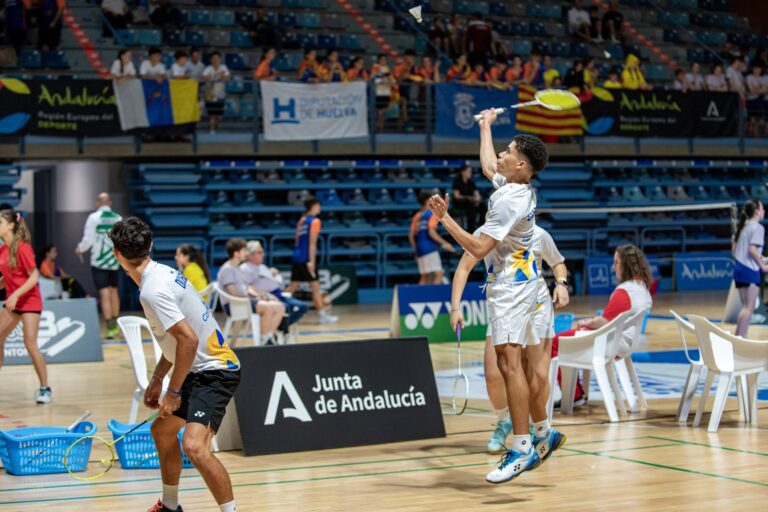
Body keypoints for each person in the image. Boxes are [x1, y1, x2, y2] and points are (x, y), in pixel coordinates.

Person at [427, 124, 553, 483]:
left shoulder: (511, 199)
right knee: (508, 363)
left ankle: (522, 447)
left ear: (521, 166)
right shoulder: (515, 185)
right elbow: (486, 166)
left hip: (511, 289)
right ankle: (542, 433)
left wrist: (444, 218)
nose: (501, 153)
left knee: (509, 365)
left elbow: (478, 249)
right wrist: (485, 126)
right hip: (522, 285)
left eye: (508, 151)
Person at [108, 218, 239, 512]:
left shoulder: (152, 291)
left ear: (117, 254)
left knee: (194, 446)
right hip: (198, 368)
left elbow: (188, 341)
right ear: (150, 246)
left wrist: (174, 392)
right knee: (162, 432)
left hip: (216, 370)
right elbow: (177, 342)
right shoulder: (163, 273)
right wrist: (157, 379)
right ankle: (169, 506)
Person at [451, 224, 569, 454]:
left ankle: (537, 429)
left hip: (537, 309)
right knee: (493, 375)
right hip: (504, 308)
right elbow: (464, 268)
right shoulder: (485, 233)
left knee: (539, 376)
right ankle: (505, 419)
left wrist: (561, 284)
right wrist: (455, 307)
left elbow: (557, 262)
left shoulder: (538, 234)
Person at [552, 244, 653, 405]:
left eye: (616, 262)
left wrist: (585, 323)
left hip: (611, 344)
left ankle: (573, 396)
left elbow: (603, 322)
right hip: (624, 343)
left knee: (556, 343)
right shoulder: (643, 289)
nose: (613, 267)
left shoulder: (625, 291)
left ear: (626, 264)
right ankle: (576, 394)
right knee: (573, 337)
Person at [0, 210, 51, 404]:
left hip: (29, 301)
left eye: (0, 222)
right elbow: (9, 277)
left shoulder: (23, 247)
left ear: (11, 225)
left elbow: (33, 276)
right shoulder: (3, 249)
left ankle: (45, 389)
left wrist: (15, 294)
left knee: (30, 343)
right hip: (13, 301)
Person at [217, 238, 285, 345]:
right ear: (236, 253)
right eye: (244, 251)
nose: (246, 253)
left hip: (243, 301)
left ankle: (268, 336)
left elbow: (246, 288)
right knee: (268, 307)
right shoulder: (227, 269)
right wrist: (254, 298)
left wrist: (263, 295)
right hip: (235, 305)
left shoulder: (236, 268)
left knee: (279, 306)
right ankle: (263, 341)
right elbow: (233, 292)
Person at [76, 193, 122, 339]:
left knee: (104, 293)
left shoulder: (93, 218)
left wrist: (80, 249)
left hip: (99, 261)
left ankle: (109, 327)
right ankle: (116, 325)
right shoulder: (118, 218)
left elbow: (88, 239)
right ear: (109, 202)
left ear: (97, 203)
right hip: (115, 260)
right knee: (114, 291)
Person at [286, 197, 338, 324]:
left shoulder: (301, 220)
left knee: (293, 285)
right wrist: (311, 261)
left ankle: (277, 304)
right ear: (313, 206)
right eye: (318, 205)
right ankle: (322, 315)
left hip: (297, 255)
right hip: (306, 258)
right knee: (315, 287)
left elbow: (297, 240)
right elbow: (312, 243)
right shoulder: (315, 221)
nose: (320, 208)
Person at [241, 240, 308, 335]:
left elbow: (275, 281)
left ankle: (278, 327)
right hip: (268, 297)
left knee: (302, 307)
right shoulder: (246, 268)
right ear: (250, 255)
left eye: (262, 252)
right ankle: (278, 331)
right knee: (286, 308)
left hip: (279, 294)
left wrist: (273, 273)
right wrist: (266, 295)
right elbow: (247, 286)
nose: (262, 255)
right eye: (259, 252)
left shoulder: (262, 267)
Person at [732, 200, 768, 338]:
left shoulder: (745, 227)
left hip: (740, 267)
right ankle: (738, 338)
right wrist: (762, 267)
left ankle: (742, 337)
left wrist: (763, 259)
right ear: (757, 211)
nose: (764, 211)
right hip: (749, 270)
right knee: (749, 307)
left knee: (747, 307)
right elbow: (752, 250)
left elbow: (736, 250)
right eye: (762, 208)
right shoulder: (758, 228)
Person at [409, 191, 455, 285]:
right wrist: (445, 243)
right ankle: (433, 298)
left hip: (419, 249)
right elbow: (431, 232)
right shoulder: (431, 214)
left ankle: (420, 298)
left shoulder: (417, 216)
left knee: (424, 276)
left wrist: (416, 250)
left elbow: (411, 236)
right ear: (427, 201)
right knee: (438, 274)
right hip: (429, 248)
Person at [202, 51, 230, 134]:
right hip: (210, 94)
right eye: (214, 58)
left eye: (217, 58)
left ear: (220, 59)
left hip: (220, 95)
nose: (215, 60)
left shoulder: (224, 67)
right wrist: (210, 76)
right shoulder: (208, 68)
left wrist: (221, 75)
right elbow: (204, 78)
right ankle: (211, 129)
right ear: (211, 60)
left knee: (218, 114)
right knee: (211, 113)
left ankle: (215, 126)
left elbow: (227, 77)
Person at [452, 164, 485, 232]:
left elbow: (476, 193)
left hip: (471, 202)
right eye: (469, 171)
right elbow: (457, 196)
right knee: (471, 209)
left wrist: (477, 200)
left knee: (483, 207)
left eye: (471, 172)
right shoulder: (457, 181)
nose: (470, 173)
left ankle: (482, 229)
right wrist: (468, 198)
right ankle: (471, 231)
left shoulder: (471, 182)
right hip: (460, 203)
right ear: (463, 172)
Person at [745, 65, 764, 137]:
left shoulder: (763, 78)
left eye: (759, 69)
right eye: (756, 69)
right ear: (753, 69)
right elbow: (751, 90)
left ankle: (755, 131)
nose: (757, 70)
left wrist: (757, 89)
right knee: (751, 118)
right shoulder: (749, 77)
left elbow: (765, 90)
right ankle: (749, 130)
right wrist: (760, 88)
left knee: (757, 118)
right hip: (750, 100)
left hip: (759, 100)